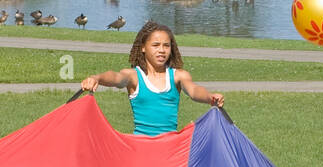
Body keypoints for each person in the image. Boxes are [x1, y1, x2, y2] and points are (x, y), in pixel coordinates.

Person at [80, 21, 224, 136]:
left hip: (171, 150)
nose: (161, 50)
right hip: (141, 148)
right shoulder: (134, 76)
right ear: (143, 47)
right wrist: (96, 78)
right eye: (155, 45)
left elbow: (194, 90)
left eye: (166, 46)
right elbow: (116, 78)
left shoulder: (178, 75)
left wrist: (209, 97)